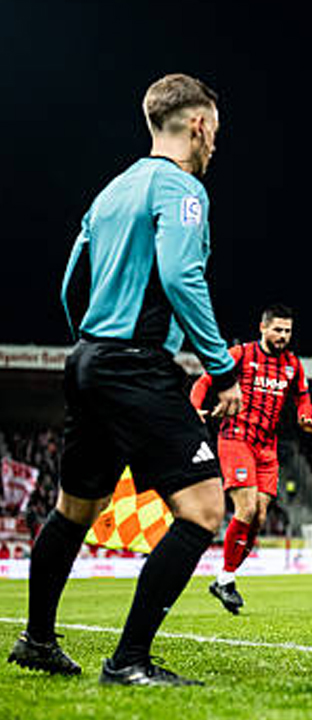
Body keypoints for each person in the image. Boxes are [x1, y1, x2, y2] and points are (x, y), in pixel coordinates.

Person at [9, 74, 240, 686]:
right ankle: (129, 659)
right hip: (135, 364)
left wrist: (92, 343)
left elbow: (70, 282)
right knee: (202, 509)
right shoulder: (181, 187)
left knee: (73, 510)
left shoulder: (111, 191)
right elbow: (182, 277)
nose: (215, 140)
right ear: (197, 126)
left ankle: (37, 641)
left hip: (88, 357)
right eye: (214, 128)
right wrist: (222, 369)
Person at [190, 304, 312, 614]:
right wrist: (194, 406)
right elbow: (205, 381)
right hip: (236, 438)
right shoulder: (241, 354)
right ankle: (226, 578)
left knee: (259, 517)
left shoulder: (292, 365)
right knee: (246, 507)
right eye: (277, 329)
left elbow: (302, 396)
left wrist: (305, 416)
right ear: (262, 328)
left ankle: (224, 579)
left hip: (267, 447)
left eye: (288, 331)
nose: (283, 336)